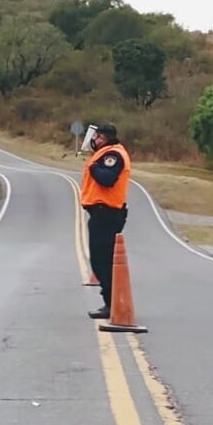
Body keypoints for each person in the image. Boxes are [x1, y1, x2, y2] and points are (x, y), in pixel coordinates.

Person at [80, 123, 132, 320]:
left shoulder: (113, 155)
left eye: (99, 137)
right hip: (101, 213)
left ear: (107, 137)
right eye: (96, 137)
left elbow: (107, 178)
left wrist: (93, 167)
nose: (96, 140)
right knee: (100, 260)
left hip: (107, 213)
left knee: (102, 261)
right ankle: (110, 302)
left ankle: (112, 303)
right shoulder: (106, 153)